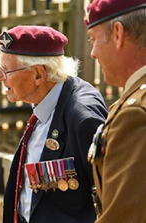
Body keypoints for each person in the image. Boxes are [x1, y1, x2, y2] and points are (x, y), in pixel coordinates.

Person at [0, 25, 108, 223]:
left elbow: (110, 197)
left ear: (39, 74)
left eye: (6, 70)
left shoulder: (83, 118)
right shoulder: (48, 99)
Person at [84, 0, 146, 222]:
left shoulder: (134, 114)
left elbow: (123, 216)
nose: (92, 53)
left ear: (118, 34)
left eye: (93, 39)